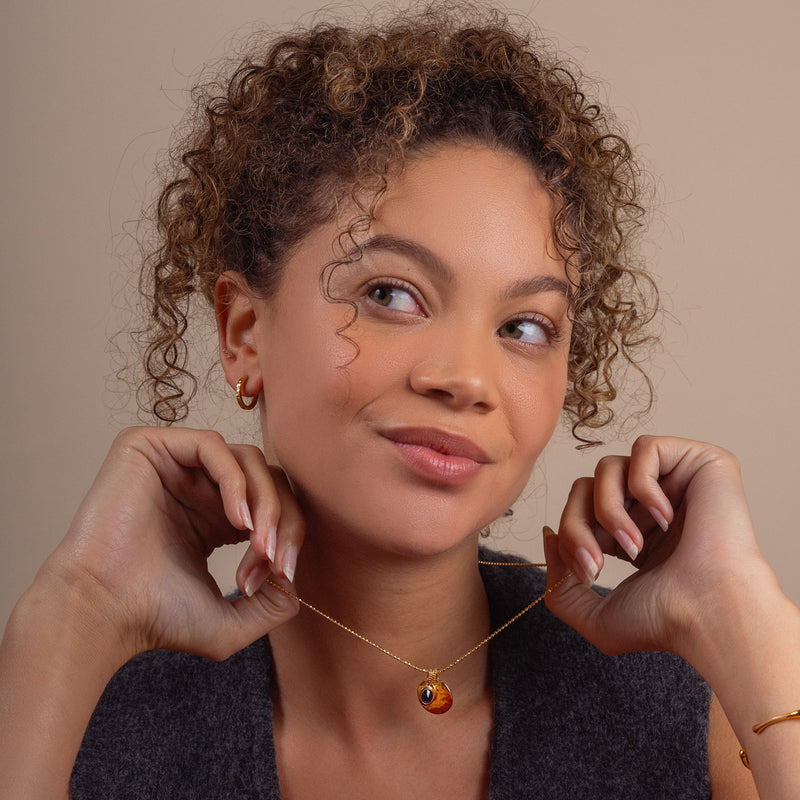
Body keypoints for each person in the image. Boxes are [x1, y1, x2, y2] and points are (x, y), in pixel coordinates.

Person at [1, 4, 798, 798]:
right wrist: (79, 604)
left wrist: (742, 616)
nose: (465, 378)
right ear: (244, 331)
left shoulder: (688, 715)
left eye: (524, 326)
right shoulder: (74, 709)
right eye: (391, 293)